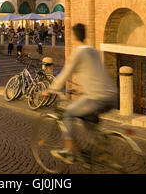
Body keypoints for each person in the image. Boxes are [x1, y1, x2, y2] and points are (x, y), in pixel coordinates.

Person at [45, 23, 116, 165]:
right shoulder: (94, 51)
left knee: (69, 113)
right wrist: (80, 90)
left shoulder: (79, 52)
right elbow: (94, 75)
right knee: (86, 116)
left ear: (74, 36)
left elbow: (66, 72)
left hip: (97, 98)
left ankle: (69, 152)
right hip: (112, 96)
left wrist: (50, 90)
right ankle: (99, 147)